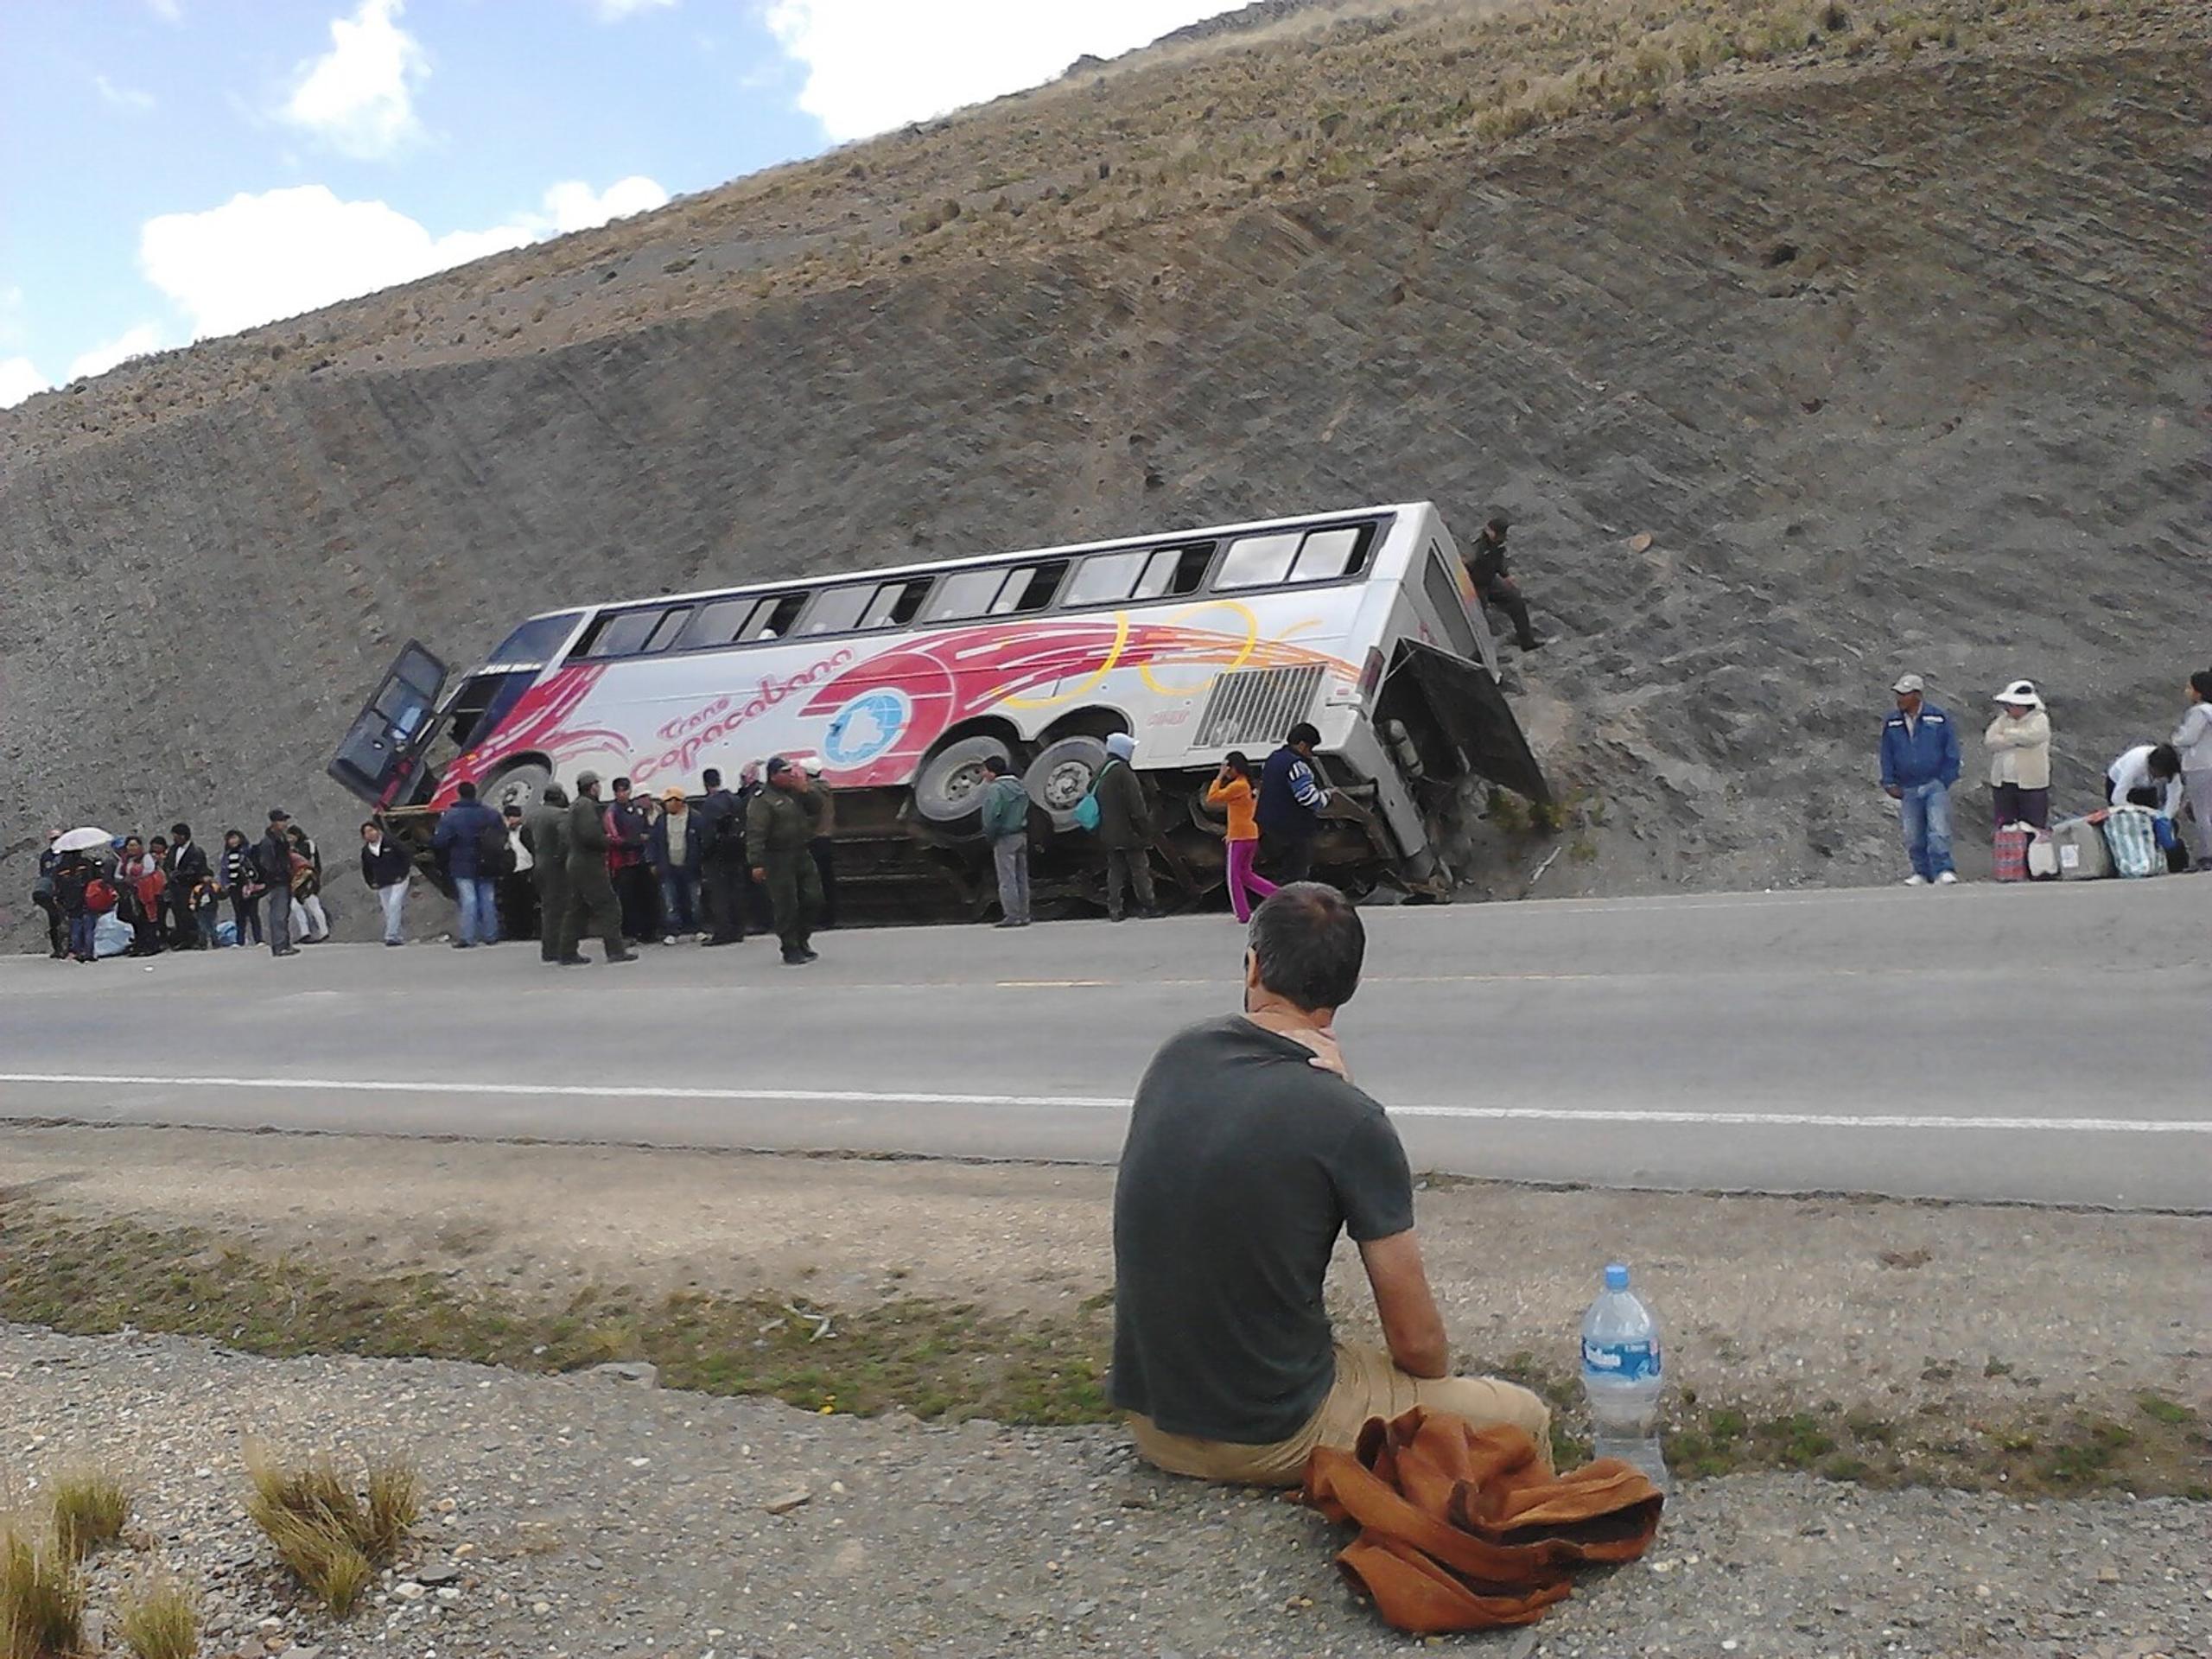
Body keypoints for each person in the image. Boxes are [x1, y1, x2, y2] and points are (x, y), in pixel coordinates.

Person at [1111, 882, 1552, 1484]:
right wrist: (1340, 1099)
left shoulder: (1176, 1057)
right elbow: (1419, 1347)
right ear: (1347, 988)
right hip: (1266, 1433)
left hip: (1152, 1418)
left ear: (1253, 965)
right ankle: (1519, 1548)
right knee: (1521, 1417)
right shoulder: (1351, 1121)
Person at [1879, 673, 1961, 887]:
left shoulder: (1938, 717)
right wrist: (1889, 781)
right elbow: (1886, 752)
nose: (1900, 699)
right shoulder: (1893, 721)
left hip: (1934, 783)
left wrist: (1945, 779)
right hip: (1908, 786)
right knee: (1913, 834)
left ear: (1917, 695)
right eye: (1899, 694)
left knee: (1938, 829)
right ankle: (1921, 872)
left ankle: (1943, 869)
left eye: (1905, 695)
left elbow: (1951, 749)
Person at [748, 756, 824, 964]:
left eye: (791, 770)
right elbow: (756, 832)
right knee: (786, 903)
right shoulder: (763, 799)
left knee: (813, 897)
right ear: (773, 776)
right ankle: (790, 946)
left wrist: (805, 789)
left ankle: (803, 938)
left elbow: (817, 807)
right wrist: (756, 862)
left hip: (801, 851)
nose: (790, 775)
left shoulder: (796, 792)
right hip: (777, 856)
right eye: (785, 772)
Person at [563, 772, 637, 964]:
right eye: (597, 784)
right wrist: (608, 841)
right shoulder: (587, 806)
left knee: (577, 909)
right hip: (589, 864)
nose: (599, 788)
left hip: (576, 862)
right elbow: (590, 835)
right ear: (592, 787)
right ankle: (615, 950)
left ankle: (567, 951)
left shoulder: (575, 805)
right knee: (609, 906)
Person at [1206, 750, 1279, 923]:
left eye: (1228, 768)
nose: (1227, 772)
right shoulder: (1249, 785)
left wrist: (1219, 777)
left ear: (1235, 768)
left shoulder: (1238, 786)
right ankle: (1277, 894)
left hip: (1239, 836)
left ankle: (1242, 913)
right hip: (1250, 834)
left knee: (1233, 877)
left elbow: (1212, 798)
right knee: (1246, 874)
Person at [430, 781, 505, 948]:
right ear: (475, 793)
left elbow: (440, 841)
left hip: (462, 863)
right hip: (488, 862)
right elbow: (502, 835)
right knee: (487, 898)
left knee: (469, 899)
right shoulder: (491, 814)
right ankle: (491, 935)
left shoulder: (451, 816)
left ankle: (468, 937)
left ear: (459, 794)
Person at [1256, 722, 1331, 885]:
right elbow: (1308, 798)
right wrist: (1327, 796)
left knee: (1279, 871)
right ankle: (1289, 906)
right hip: (1293, 829)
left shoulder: (1272, 759)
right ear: (1302, 745)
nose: (1311, 754)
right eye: (1311, 748)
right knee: (1295, 875)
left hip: (1268, 827)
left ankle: (1275, 901)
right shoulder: (1297, 765)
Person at [1095, 732, 1158, 922]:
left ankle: (1115, 909)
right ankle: (1148, 906)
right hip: (1129, 832)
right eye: (1130, 747)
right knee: (1139, 869)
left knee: (1115, 871)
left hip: (1108, 831)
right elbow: (1136, 806)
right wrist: (1146, 830)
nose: (1132, 750)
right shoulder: (1124, 772)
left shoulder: (1101, 771)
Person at [1464, 509, 1542, 652]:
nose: (1500, 537)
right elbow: (1467, 563)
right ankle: (1479, 652)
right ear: (1489, 530)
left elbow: (1498, 560)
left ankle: (1526, 641)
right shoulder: (1477, 546)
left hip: (1491, 580)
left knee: (1516, 600)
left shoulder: (1498, 543)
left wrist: (1506, 576)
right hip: (1474, 584)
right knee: (1477, 616)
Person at [691, 767, 750, 946]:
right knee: (736, 890)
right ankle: (738, 929)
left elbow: (708, 833)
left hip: (717, 854)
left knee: (719, 894)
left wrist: (704, 853)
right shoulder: (735, 799)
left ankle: (723, 931)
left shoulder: (710, 805)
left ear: (705, 784)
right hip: (736, 851)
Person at [1983, 679, 2052, 831]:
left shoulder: (2040, 720)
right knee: (2005, 828)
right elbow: (1990, 740)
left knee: (2033, 829)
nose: (2008, 709)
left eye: (2012, 705)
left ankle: (2032, 855)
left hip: (2032, 786)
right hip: (2003, 784)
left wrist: (2007, 735)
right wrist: (2015, 739)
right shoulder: (2002, 720)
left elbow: (2032, 737)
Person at [520, 785, 574, 963]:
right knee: (560, 909)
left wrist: (535, 852)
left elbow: (523, 835)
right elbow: (566, 840)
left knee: (548, 908)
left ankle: (549, 949)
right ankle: (560, 948)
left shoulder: (533, 815)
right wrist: (560, 856)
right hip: (556, 867)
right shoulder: (560, 815)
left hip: (540, 864)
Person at [979, 754, 1033, 927]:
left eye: (985, 770)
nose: (983, 774)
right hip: (1022, 834)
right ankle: (1024, 914)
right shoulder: (1020, 785)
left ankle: (1012, 915)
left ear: (993, 773)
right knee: (1021, 877)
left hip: (1005, 836)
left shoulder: (996, 789)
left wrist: (990, 834)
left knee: (1007, 878)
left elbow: (991, 815)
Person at [605, 777, 658, 943]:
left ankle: (648, 932)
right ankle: (629, 934)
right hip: (623, 863)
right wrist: (634, 841)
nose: (623, 794)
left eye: (626, 790)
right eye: (620, 791)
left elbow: (646, 828)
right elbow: (613, 838)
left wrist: (645, 838)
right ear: (615, 792)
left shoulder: (636, 809)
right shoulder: (612, 812)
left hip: (641, 860)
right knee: (627, 900)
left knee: (647, 896)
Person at [650, 787, 702, 943]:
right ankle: (672, 931)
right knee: (669, 901)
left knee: (695, 900)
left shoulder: (695, 818)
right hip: (668, 866)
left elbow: (701, 842)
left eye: (669, 801)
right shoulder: (661, 820)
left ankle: (697, 928)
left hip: (690, 865)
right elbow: (655, 842)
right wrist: (654, 861)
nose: (666, 805)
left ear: (678, 802)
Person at [2174, 671, 2212, 873]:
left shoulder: (2199, 712)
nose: (2186, 691)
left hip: (2199, 766)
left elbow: (2187, 738)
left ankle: (2208, 855)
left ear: (2199, 691)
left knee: (2202, 813)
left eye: (2189, 687)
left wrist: (2176, 737)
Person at [360, 820, 413, 945]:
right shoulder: (366, 851)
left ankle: (391, 935)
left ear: (378, 831)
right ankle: (398, 934)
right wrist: (371, 882)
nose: (370, 834)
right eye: (366, 832)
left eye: (372, 830)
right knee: (388, 909)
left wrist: (403, 873)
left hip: (399, 880)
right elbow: (366, 869)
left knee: (394, 904)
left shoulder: (391, 842)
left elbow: (406, 856)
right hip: (382, 882)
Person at [255, 810, 300, 957]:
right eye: (281, 821)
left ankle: (285, 943)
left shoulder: (281, 840)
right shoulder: (268, 842)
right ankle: (279, 945)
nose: (284, 824)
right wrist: (277, 875)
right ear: (274, 823)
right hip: (276, 882)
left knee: (284, 913)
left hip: (285, 880)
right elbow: (267, 863)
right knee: (278, 914)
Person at [804, 759, 840, 929]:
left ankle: (820, 918)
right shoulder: (826, 789)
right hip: (827, 836)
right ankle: (830, 917)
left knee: (815, 881)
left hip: (815, 838)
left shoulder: (811, 791)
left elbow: (811, 816)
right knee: (828, 879)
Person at [162, 823, 210, 949]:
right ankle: (183, 938)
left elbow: (196, 868)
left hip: (188, 886)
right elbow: (167, 864)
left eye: (176, 836)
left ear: (183, 836)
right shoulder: (173, 850)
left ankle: (195, 939)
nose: (174, 839)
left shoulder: (196, 851)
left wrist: (181, 875)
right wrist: (170, 874)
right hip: (175, 887)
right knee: (178, 913)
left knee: (189, 912)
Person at [497, 804, 538, 943]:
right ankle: (513, 931)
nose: (514, 820)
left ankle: (528, 930)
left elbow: (533, 848)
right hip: (510, 871)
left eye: (516, 817)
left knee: (527, 902)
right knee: (511, 903)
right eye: (511, 817)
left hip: (526, 869)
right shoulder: (502, 834)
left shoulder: (526, 831)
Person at [116, 836, 164, 956]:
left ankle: (151, 945)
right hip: (131, 892)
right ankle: (139, 945)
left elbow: (149, 870)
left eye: (134, 845)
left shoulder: (145, 857)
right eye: (129, 845)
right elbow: (117, 874)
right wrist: (125, 879)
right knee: (135, 919)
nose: (132, 848)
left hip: (146, 892)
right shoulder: (125, 860)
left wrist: (135, 878)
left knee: (147, 918)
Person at [2107, 742, 2184, 815]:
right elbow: (2117, 798)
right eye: (2162, 774)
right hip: (2117, 783)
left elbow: (2174, 797)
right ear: (2153, 767)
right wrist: (2139, 810)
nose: (2162, 778)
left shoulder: (2172, 769)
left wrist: (2166, 817)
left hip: (2146, 787)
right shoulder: (2135, 763)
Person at [217, 828, 263, 947]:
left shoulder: (248, 851)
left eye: (234, 838)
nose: (232, 841)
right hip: (234, 887)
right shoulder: (226, 856)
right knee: (239, 914)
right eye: (230, 839)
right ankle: (239, 940)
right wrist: (225, 884)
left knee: (253, 913)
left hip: (248, 885)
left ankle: (259, 939)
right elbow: (224, 872)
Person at [287, 824, 332, 943]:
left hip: (308, 878)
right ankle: (304, 932)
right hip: (295, 880)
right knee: (296, 907)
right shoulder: (288, 847)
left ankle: (323, 931)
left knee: (313, 904)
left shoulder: (307, 844)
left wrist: (316, 878)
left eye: (292, 836)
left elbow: (310, 861)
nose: (290, 839)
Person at [31, 830, 67, 959]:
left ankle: (70, 946)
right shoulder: (46, 856)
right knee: (54, 919)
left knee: (69, 919)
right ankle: (57, 948)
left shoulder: (68, 854)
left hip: (65, 889)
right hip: (50, 890)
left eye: (58, 838)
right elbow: (44, 873)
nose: (56, 841)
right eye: (53, 839)